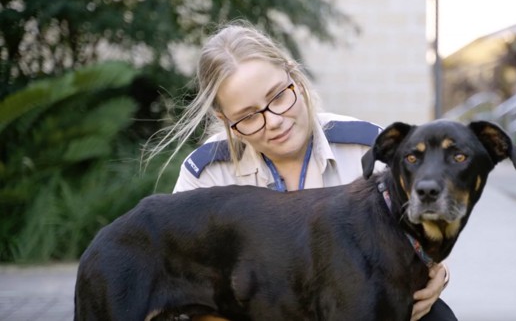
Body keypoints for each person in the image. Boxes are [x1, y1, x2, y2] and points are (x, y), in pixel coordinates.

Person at [146, 20, 457, 321]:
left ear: (293, 75)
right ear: (227, 121)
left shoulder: (369, 149)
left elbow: (423, 232)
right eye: (249, 116)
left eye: (279, 96)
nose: (275, 121)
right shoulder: (206, 174)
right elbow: (173, 277)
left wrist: (436, 273)